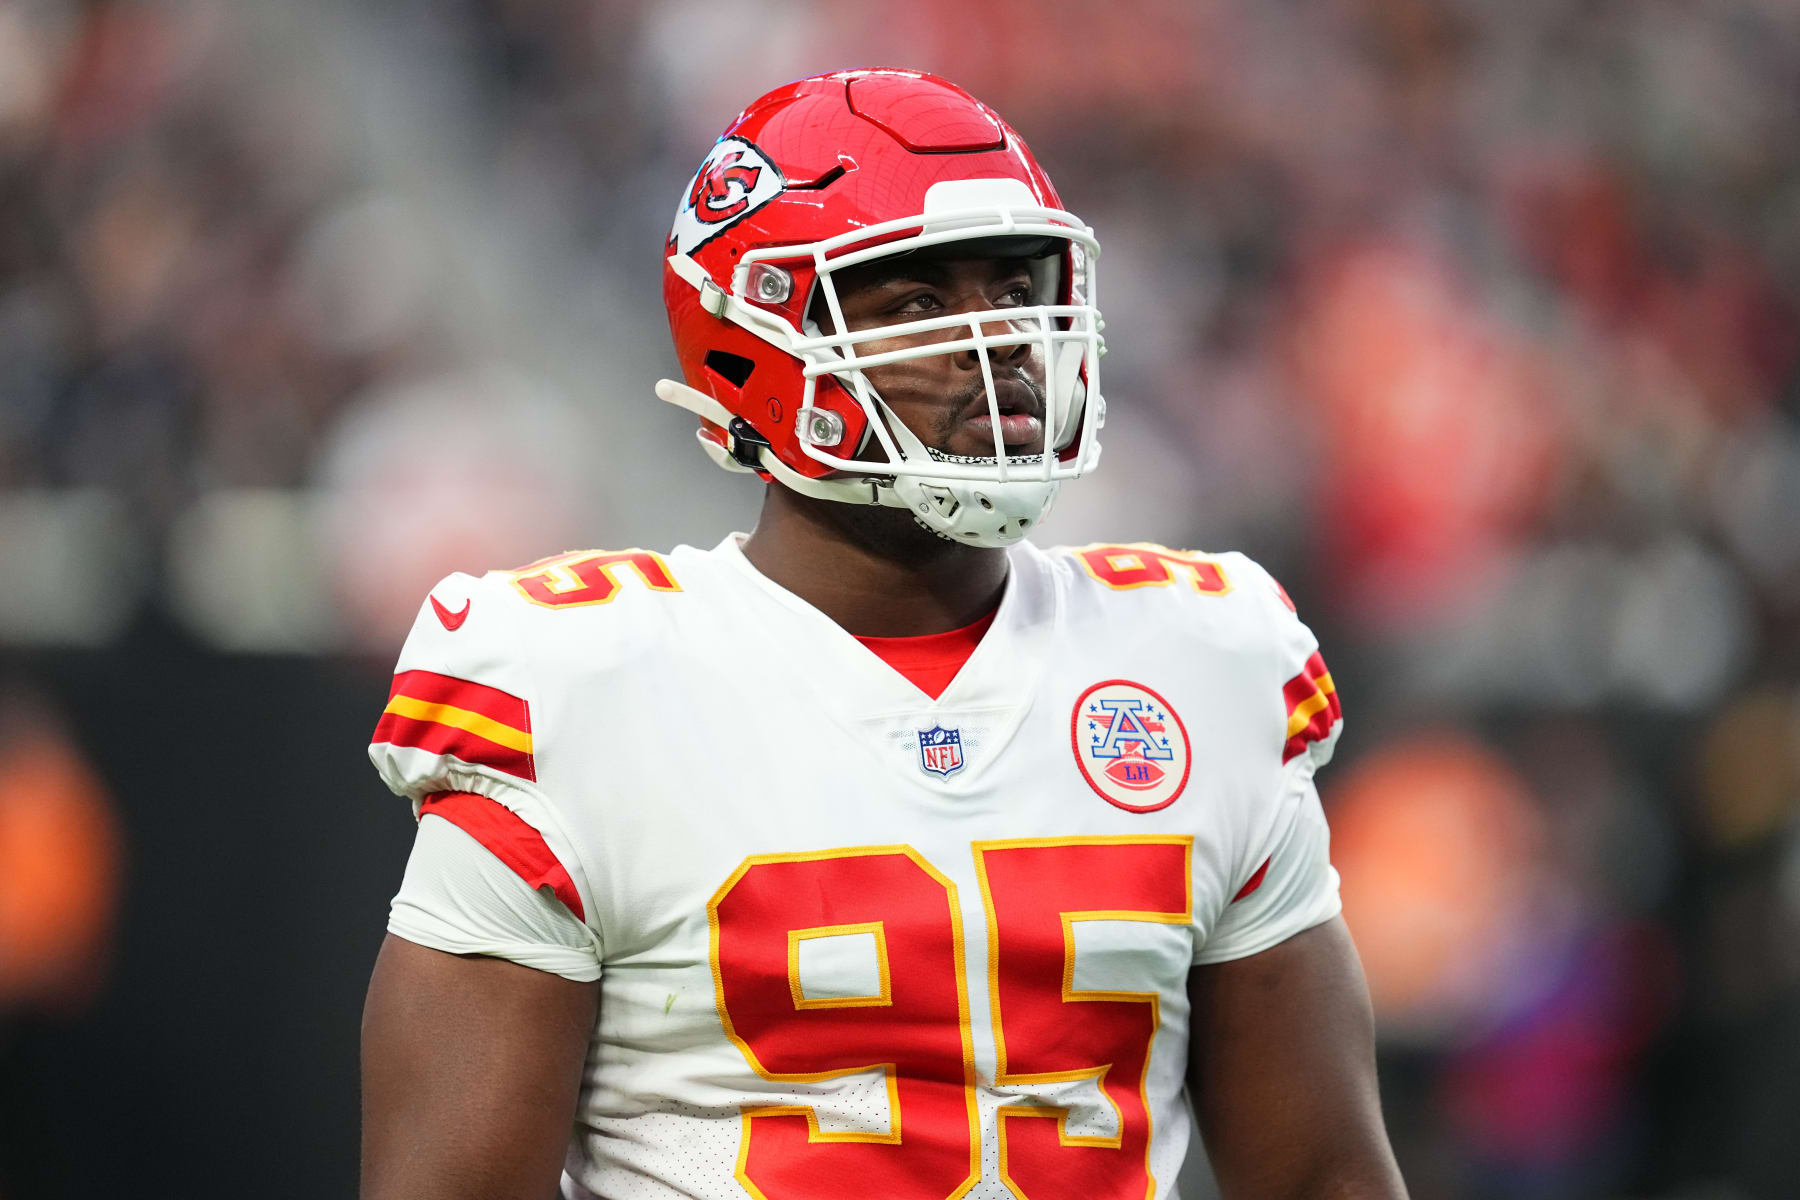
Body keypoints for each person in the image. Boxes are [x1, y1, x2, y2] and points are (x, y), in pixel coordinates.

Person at [360, 68, 1407, 1200]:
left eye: (1014, 290)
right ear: (748, 342)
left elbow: (1324, 1178)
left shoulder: (1207, 660)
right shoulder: (575, 688)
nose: (997, 342)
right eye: (914, 305)